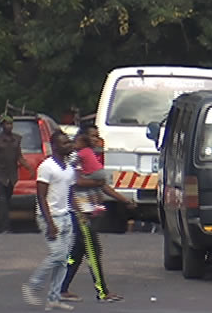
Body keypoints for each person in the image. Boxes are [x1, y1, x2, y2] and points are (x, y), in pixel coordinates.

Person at [60, 124, 134, 303]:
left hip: (88, 211)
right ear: (83, 137)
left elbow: (103, 185)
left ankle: (61, 288)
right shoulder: (76, 157)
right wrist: (96, 183)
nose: (95, 139)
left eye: (97, 135)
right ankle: (103, 292)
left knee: (77, 253)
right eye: (92, 136)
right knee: (93, 252)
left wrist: (123, 200)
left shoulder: (90, 156)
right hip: (79, 212)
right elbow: (74, 182)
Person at [22, 131, 76, 311]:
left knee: (63, 260)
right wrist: (50, 223)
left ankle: (54, 297)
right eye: (64, 143)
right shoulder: (46, 167)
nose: (69, 145)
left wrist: (77, 212)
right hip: (50, 217)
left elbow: (69, 192)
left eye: (69, 142)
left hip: (66, 216)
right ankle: (33, 285)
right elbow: (41, 196)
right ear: (55, 147)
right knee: (58, 255)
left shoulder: (68, 167)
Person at [0, 115, 34, 233]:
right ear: (2, 126)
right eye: (6, 124)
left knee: (7, 199)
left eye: (10, 124)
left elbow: (19, 156)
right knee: (2, 198)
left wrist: (29, 168)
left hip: (11, 174)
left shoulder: (17, 139)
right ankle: (4, 227)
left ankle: (2, 221)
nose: (9, 126)